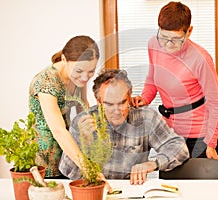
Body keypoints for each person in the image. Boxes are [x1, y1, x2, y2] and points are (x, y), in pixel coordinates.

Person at [59, 69, 189, 185]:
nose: (117, 111)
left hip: (133, 190)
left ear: (129, 97)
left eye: (122, 102)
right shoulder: (82, 122)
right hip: (96, 191)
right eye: (109, 104)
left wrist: (153, 164)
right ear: (98, 101)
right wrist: (84, 142)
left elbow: (179, 148)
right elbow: (67, 170)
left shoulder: (147, 118)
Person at [132, 2, 218, 159]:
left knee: (197, 184)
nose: (168, 44)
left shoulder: (200, 59)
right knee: (169, 183)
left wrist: (210, 144)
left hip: (199, 137)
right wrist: (145, 98)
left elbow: (216, 103)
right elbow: (152, 78)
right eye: (163, 37)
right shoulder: (153, 44)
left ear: (189, 32)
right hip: (169, 134)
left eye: (175, 39)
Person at [29, 35, 100, 178]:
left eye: (91, 71)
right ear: (63, 60)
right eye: (79, 71)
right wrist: (87, 168)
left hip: (67, 154)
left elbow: (83, 106)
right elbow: (58, 130)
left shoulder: (79, 77)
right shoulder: (46, 82)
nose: (85, 77)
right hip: (45, 159)